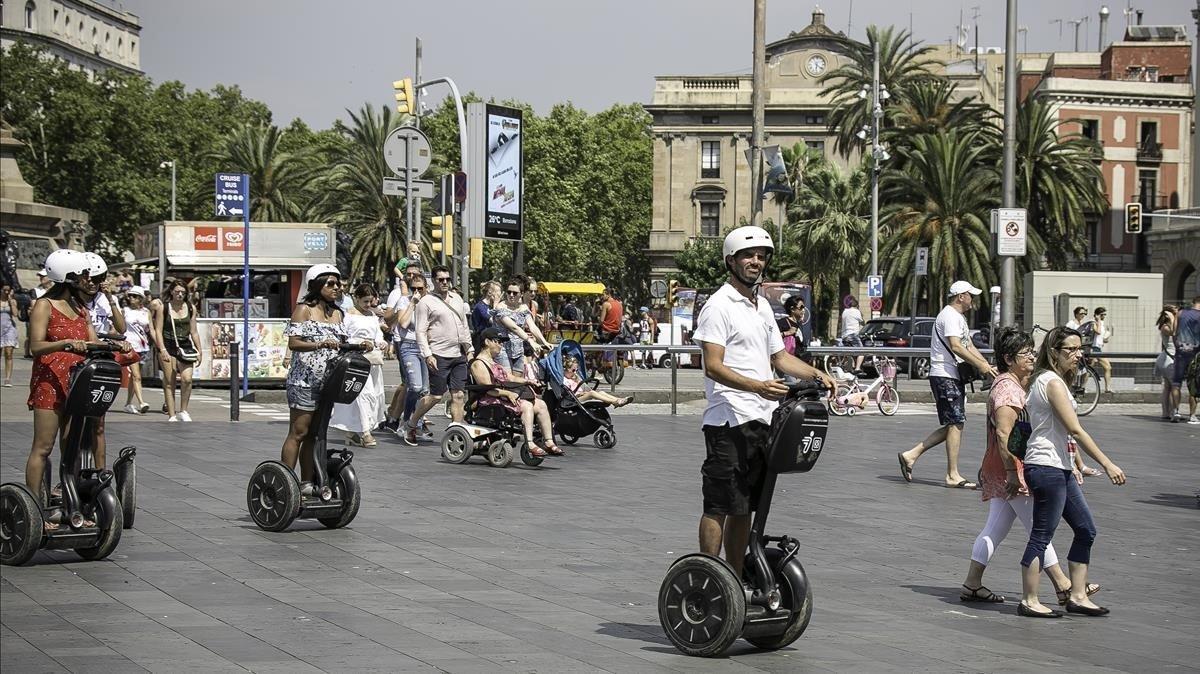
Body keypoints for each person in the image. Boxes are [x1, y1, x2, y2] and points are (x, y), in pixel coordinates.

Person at [691, 226, 835, 577]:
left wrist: (816, 374)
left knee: (745, 508)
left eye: (761, 256)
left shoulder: (761, 307)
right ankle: (710, 578)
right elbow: (712, 365)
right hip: (728, 419)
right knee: (720, 505)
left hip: (763, 417)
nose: (756, 261)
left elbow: (780, 358)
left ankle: (735, 576)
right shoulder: (718, 306)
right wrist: (756, 386)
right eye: (748, 256)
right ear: (732, 261)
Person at [959, 328, 1097, 606]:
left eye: (1033, 351)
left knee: (995, 527)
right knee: (1038, 528)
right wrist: (1012, 472)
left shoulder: (1014, 384)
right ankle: (1063, 585)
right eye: (1026, 353)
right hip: (1014, 468)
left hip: (1005, 466)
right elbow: (1004, 434)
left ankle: (973, 582)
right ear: (1009, 359)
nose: (1033, 356)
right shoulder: (1008, 389)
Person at [1017, 326, 1126, 618]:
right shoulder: (1051, 382)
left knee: (1085, 529)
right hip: (1046, 466)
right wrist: (1107, 462)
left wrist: (1077, 465)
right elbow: (1075, 430)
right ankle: (1029, 599)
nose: (1078, 355)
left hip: (1058, 466)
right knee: (1041, 536)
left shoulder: (1051, 379)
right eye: (1071, 350)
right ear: (1054, 352)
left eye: (1080, 349)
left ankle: (1077, 595)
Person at [26, 250, 131, 526]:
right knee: (43, 447)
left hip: (76, 382)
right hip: (49, 383)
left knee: (70, 447)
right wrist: (66, 344)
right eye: (81, 275)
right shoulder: (43, 305)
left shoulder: (80, 309)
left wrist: (115, 345)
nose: (87, 280)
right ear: (65, 276)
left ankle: (72, 506)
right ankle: (36, 511)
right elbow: (34, 347)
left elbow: (92, 341)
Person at [898, 281, 998, 489]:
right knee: (956, 422)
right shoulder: (950, 316)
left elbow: (968, 345)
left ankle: (911, 455)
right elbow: (956, 346)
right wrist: (980, 365)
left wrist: (987, 366)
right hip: (944, 374)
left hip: (951, 376)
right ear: (961, 296)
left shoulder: (958, 317)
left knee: (955, 423)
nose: (973, 299)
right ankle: (952, 474)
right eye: (971, 295)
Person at [282, 265, 360, 494]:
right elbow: (293, 343)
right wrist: (319, 344)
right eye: (330, 284)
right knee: (299, 432)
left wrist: (360, 346)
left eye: (338, 284)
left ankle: (306, 483)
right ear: (316, 285)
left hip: (328, 383)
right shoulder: (303, 310)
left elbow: (342, 345)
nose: (336, 288)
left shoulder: (338, 313)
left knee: (315, 435)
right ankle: (287, 482)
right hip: (304, 381)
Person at [405, 265, 473, 445]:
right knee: (436, 396)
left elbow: (464, 326)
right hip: (438, 354)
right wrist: (428, 355)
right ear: (433, 281)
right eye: (441, 279)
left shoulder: (457, 299)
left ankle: (457, 435)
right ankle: (412, 424)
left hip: (458, 354)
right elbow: (420, 331)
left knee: (458, 395)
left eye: (447, 279)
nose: (444, 282)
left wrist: (470, 349)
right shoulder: (426, 302)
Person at [472, 327, 562, 458]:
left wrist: (528, 381)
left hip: (504, 397)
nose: (501, 345)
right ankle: (530, 444)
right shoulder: (478, 363)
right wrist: (507, 393)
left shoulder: (494, 362)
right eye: (498, 341)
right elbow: (487, 388)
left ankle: (548, 441)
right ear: (487, 342)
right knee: (527, 405)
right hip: (490, 399)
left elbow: (510, 378)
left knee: (541, 404)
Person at [331, 283, 388, 447]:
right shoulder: (347, 316)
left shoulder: (372, 316)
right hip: (356, 359)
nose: (369, 305)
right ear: (356, 298)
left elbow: (378, 335)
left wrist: (381, 342)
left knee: (370, 395)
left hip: (372, 360)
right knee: (364, 394)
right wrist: (359, 344)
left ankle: (351, 432)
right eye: (365, 301)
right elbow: (343, 338)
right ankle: (366, 432)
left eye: (371, 301)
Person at [155, 279, 201, 422]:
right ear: (171, 292)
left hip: (185, 345)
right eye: (177, 292)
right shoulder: (164, 308)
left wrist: (199, 350)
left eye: (182, 292)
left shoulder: (191, 307)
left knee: (187, 379)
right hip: (168, 344)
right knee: (170, 381)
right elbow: (158, 330)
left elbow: (194, 331)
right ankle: (171, 414)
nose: (180, 295)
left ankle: (184, 410)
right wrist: (162, 349)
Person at [493, 279, 552, 376]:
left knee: (517, 383)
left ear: (522, 293)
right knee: (507, 380)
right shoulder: (501, 307)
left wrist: (544, 342)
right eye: (509, 292)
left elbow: (532, 326)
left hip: (518, 349)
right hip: (502, 349)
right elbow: (514, 327)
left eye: (515, 293)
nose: (511, 295)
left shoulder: (524, 308)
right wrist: (530, 340)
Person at [121, 286, 153, 414]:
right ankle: (141, 402)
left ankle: (128, 403)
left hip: (143, 346)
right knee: (136, 376)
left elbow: (151, 329)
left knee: (135, 377)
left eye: (135, 296)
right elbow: (120, 327)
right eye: (130, 296)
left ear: (140, 298)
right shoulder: (125, 310)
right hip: (130, 346)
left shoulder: (146, 312)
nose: (131, 298)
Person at [561, 354, 632, 407]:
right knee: (592, 393)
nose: (575, 372)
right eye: (573, 370)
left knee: (601, 392)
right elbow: (569, 395)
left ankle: (619, 399)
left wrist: (584, 391)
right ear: (566, 369)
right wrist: (582, 394)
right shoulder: (565, 380)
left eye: (576, 370)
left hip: (583, 395)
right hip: (574, 400)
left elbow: (584, 387)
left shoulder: (575, 376)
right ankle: (615, 402)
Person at [1172, 296, 1200, 424]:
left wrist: (1178, 346)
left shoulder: (1181, 313)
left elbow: (1174, 332)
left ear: (1193, 302)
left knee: (1176, 383)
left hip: (1180, 352)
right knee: (1193, 385)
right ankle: (1192, 415)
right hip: (1195, 354)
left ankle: (1176, 412)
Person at [1155, 305, 1178, 421]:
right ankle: (1174, 412)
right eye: (1175, 313)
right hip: (1168, 359)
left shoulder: (1170, 325)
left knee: (1168, 387)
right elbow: (1174, 333)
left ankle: (1166, 412)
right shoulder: (1165, 326)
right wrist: (1172, 319)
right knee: (1174, 386)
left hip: (1169, 358)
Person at [1089, 307, 1113, 394]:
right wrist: (1098, 320)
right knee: (1090, 369)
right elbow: (1098, 332)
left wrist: (1106, 338)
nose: (1104, 316)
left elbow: (1101, 338)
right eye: (1102, 315)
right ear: (1097, 314)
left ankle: (1107, 388)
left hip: (1098, 348)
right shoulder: (1093, 322)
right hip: (1093, 348)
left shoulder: (1101, 324)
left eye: (1105, 315)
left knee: (1106, 367)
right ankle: (1081, 387)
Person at [839, 296, 866, 373]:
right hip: (852, 334)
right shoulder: (856, 311)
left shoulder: (844, 311)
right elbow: (862, 322)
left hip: (844, 336)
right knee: (862, 351)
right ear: (856, 305)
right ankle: (857, 368)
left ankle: (849, 369)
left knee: (849, 353)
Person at [0, 283, 18, 386]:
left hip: (9, 328)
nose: (6, 292)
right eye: (4, 290)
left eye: (8, 290)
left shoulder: (12, 301)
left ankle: (7, 378)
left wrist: (11, 302)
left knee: (9, 353)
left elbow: (15, 314)